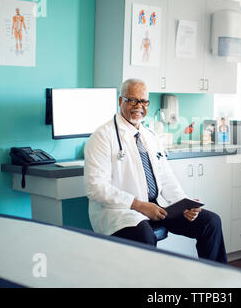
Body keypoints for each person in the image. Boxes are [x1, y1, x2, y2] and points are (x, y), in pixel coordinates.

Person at [84, 79, 227, 264]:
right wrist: (139, 205)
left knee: (211, 222)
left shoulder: (149, 136)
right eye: (132, 100)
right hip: (122, 212)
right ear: (121, 101)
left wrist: (184, 204)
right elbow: (95, 187)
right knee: (144, 235)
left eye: (143, 101)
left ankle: (217, 282)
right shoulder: (102, 137)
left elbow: (166, 178)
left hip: (158, 207)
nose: (139, 106)